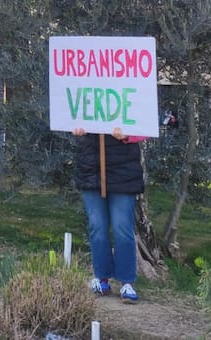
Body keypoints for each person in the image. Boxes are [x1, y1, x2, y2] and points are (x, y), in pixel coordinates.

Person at [72, 125, 144, 303]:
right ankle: (102, 278)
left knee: (122, 227)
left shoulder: (131, 96)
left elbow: (144, 125)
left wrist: (128, 136)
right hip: (91, 169)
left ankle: (127, 282)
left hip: (123, 171)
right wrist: (75, 130)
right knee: (97, 226)